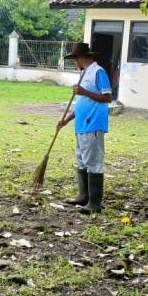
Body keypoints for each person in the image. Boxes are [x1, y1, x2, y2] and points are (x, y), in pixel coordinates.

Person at [57, 43, 112, 214]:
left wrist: (84, 92)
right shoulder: (84, 73)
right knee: (82, 160)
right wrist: (66, 119)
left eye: (75, 59)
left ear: (82, 58)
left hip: (93, 124)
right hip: (81, 124)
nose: (75, 63)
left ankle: (95, 204)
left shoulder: (98, 72)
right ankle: (83, 197)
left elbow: (107, 97)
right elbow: (82, 103)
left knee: (93, 162)